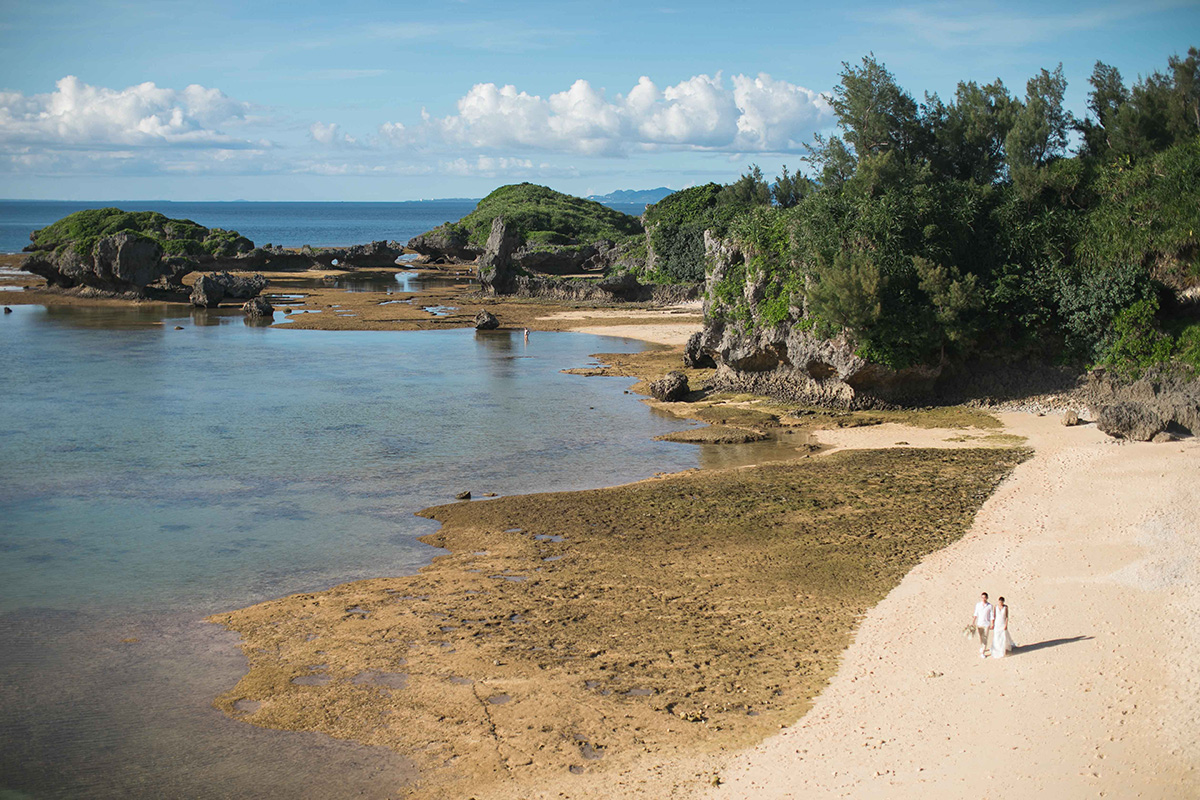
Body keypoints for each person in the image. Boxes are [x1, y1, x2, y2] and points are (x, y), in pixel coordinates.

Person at [972, 592, 994, 658]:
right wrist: (973, 622)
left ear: (987, 598)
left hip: (986, 624)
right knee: (981, 637)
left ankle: (983, 651)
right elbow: (975, 614)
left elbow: (991, 615)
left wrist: (992, 623)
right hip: (979, 624)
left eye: (985, 597)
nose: (983, 599)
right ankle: (982, 647)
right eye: (982, 597)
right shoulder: (978, 605)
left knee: (985, 638)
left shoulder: (990, 606)